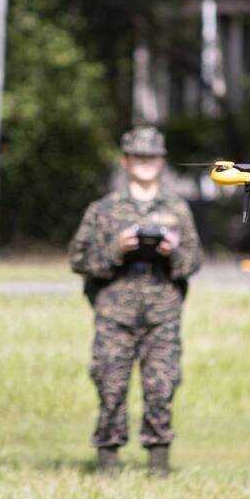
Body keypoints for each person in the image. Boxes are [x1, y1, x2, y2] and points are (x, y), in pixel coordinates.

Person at [69, 125, 203, 475]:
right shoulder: (104, 209)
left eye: (152, 157)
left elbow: (193, 262)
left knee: (161, 387)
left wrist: (172, 252)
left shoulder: (177, 209)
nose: (145, 163)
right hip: (115, 312)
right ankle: (107, 465)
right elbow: (79, 260)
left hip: (162, 313)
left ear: (162, 161)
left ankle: (159, 467)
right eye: (138, 157)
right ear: (125, 161)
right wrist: (115, 248)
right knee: (110, 386)